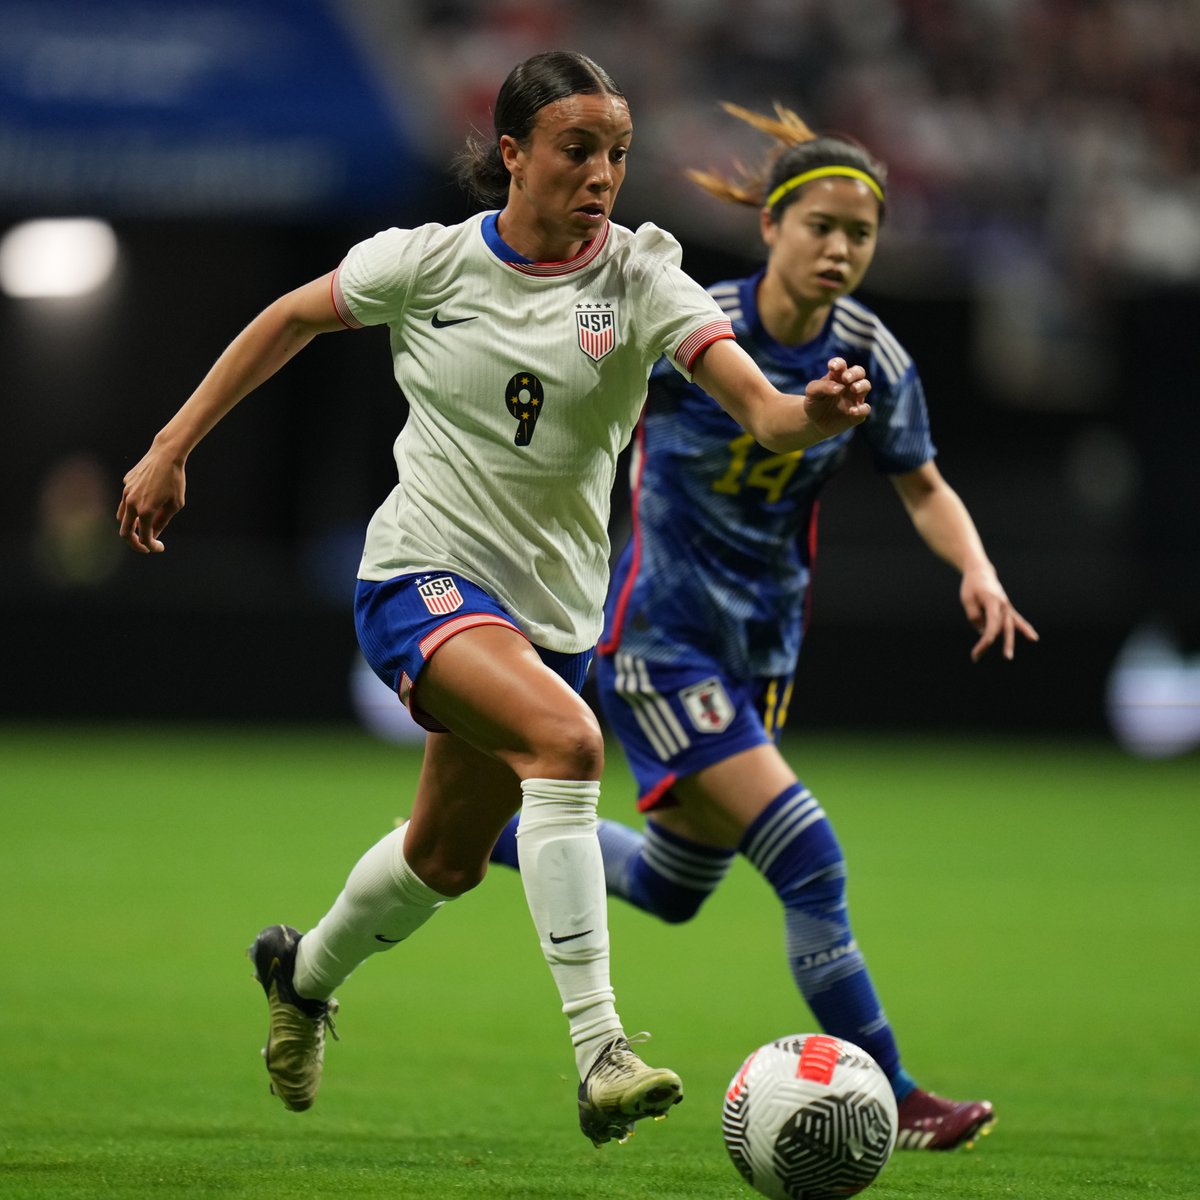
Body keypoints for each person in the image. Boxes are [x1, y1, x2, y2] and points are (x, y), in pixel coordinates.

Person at [115, 56, 874, 1147]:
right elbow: (286, 317)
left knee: (445, 859)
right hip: (420, 578)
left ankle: (301, 974)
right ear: (512, 153)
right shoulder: (426, 265)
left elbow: (761, 411)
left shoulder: (643, 279)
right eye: (578, 149)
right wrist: (170, 446)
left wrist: (816, 411)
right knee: (567, 744)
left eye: (616, 151)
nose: (603, 173)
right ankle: (602, 1050)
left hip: (548, 617)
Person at [490, 101, 1038, 1150]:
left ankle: (477, 834)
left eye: (861, 234)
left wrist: (976, 567)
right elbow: (571, 409)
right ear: (773, 228)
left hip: (760, 651)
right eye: (820, 225)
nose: (840, 248)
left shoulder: (873, 354)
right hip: (659, 638)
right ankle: (904, 1096)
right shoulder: (694, 329)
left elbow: (921, 484)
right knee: (810, 858)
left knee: (675, 884)